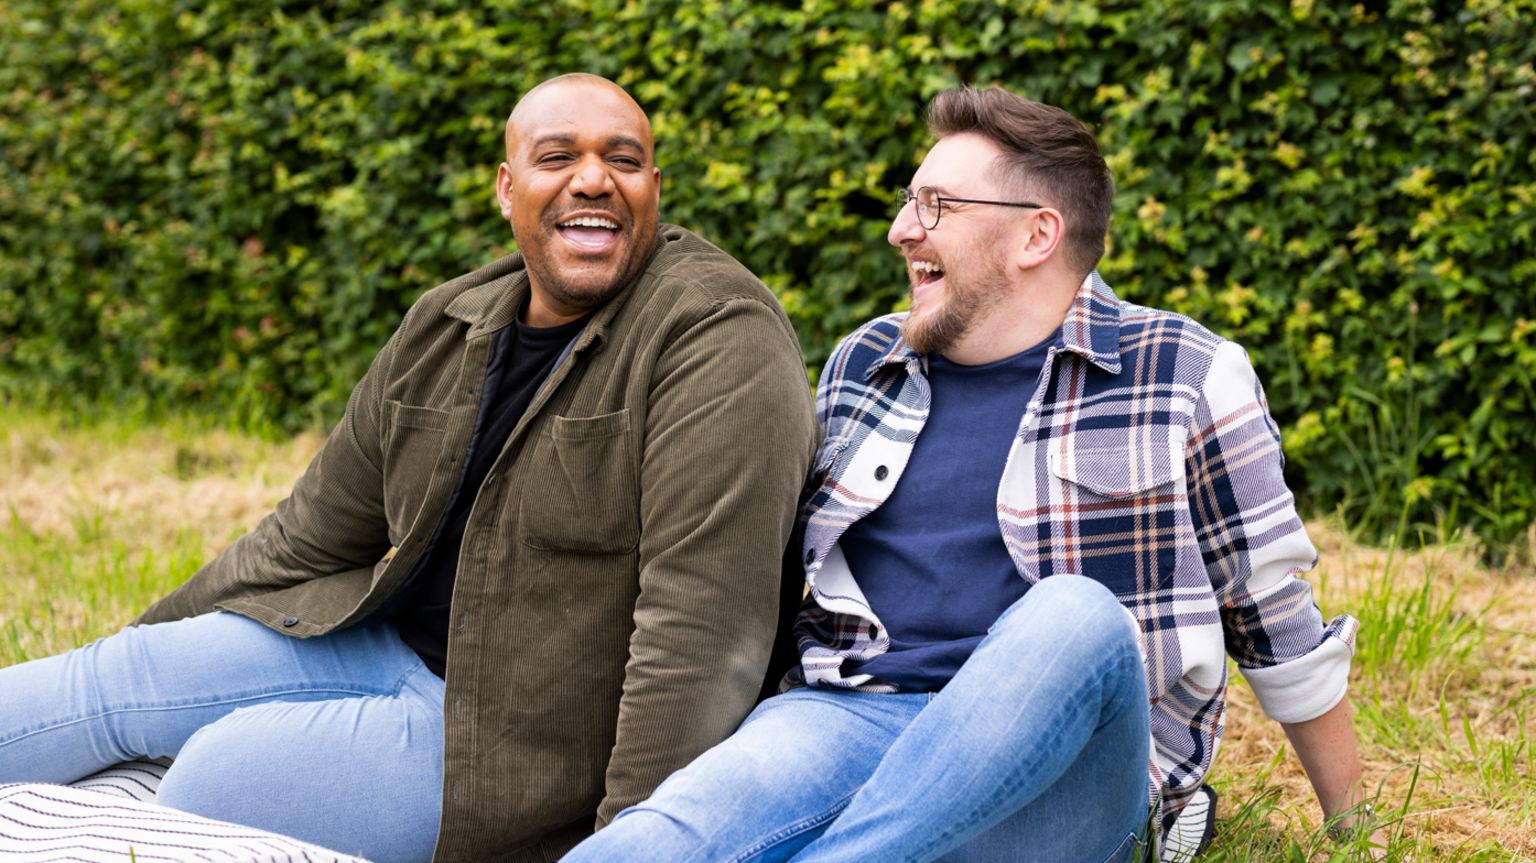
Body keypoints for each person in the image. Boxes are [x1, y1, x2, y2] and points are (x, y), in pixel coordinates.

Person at [0, 73, 818, 863]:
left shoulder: (717, 337)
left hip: (511, 741)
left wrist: (625, 844)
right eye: (558, 156)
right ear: (508, 187)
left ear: (654, 186)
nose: (594, 179)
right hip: (372, 643)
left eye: (624, 158)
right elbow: (302, 538)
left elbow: (704, 634)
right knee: (109, 680)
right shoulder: (448, 323)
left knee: (217, 772)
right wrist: (165, 639)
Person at [562, 85, 1382, 863]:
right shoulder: (863, 362)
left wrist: (1360, 831)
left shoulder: (1186, 373)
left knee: (1075, 615)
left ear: (1037, 235)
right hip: (849, 718)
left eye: (936, 206)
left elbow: (1274, 618)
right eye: (909, 200)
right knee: (659, 837)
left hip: (1071, 771)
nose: (900, 230)